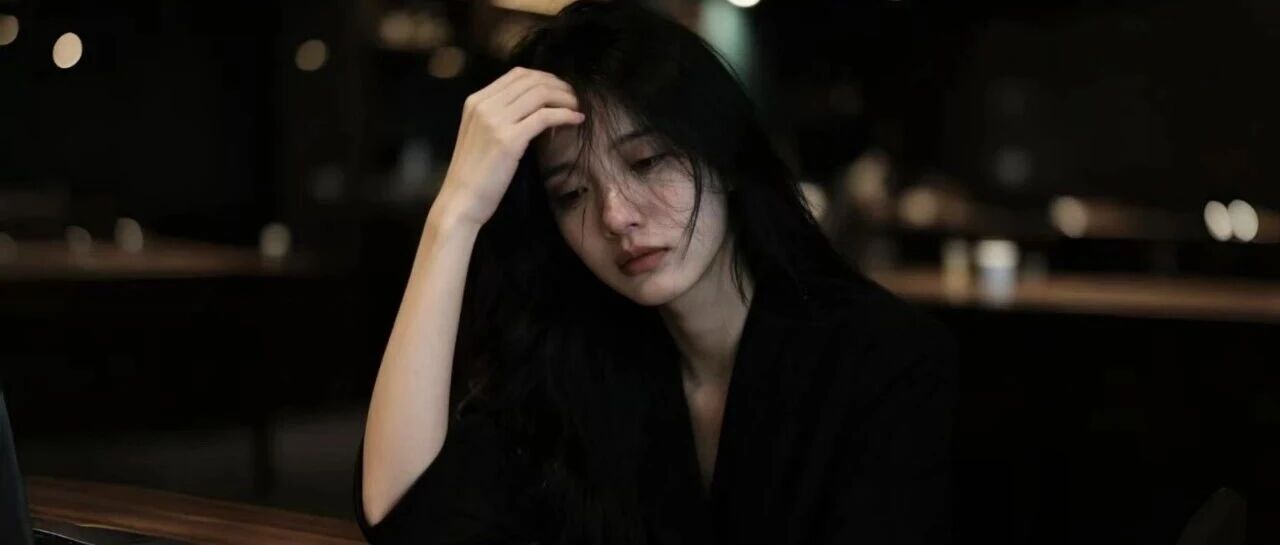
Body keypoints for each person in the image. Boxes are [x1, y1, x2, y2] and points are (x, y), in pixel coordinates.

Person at [354, 1, 957, 544]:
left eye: (646, 161)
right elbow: (403, 518)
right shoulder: (578, 365)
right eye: (571, 193)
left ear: (723, 154)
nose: (616, 216)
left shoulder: (884, 360)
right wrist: (454, 214)